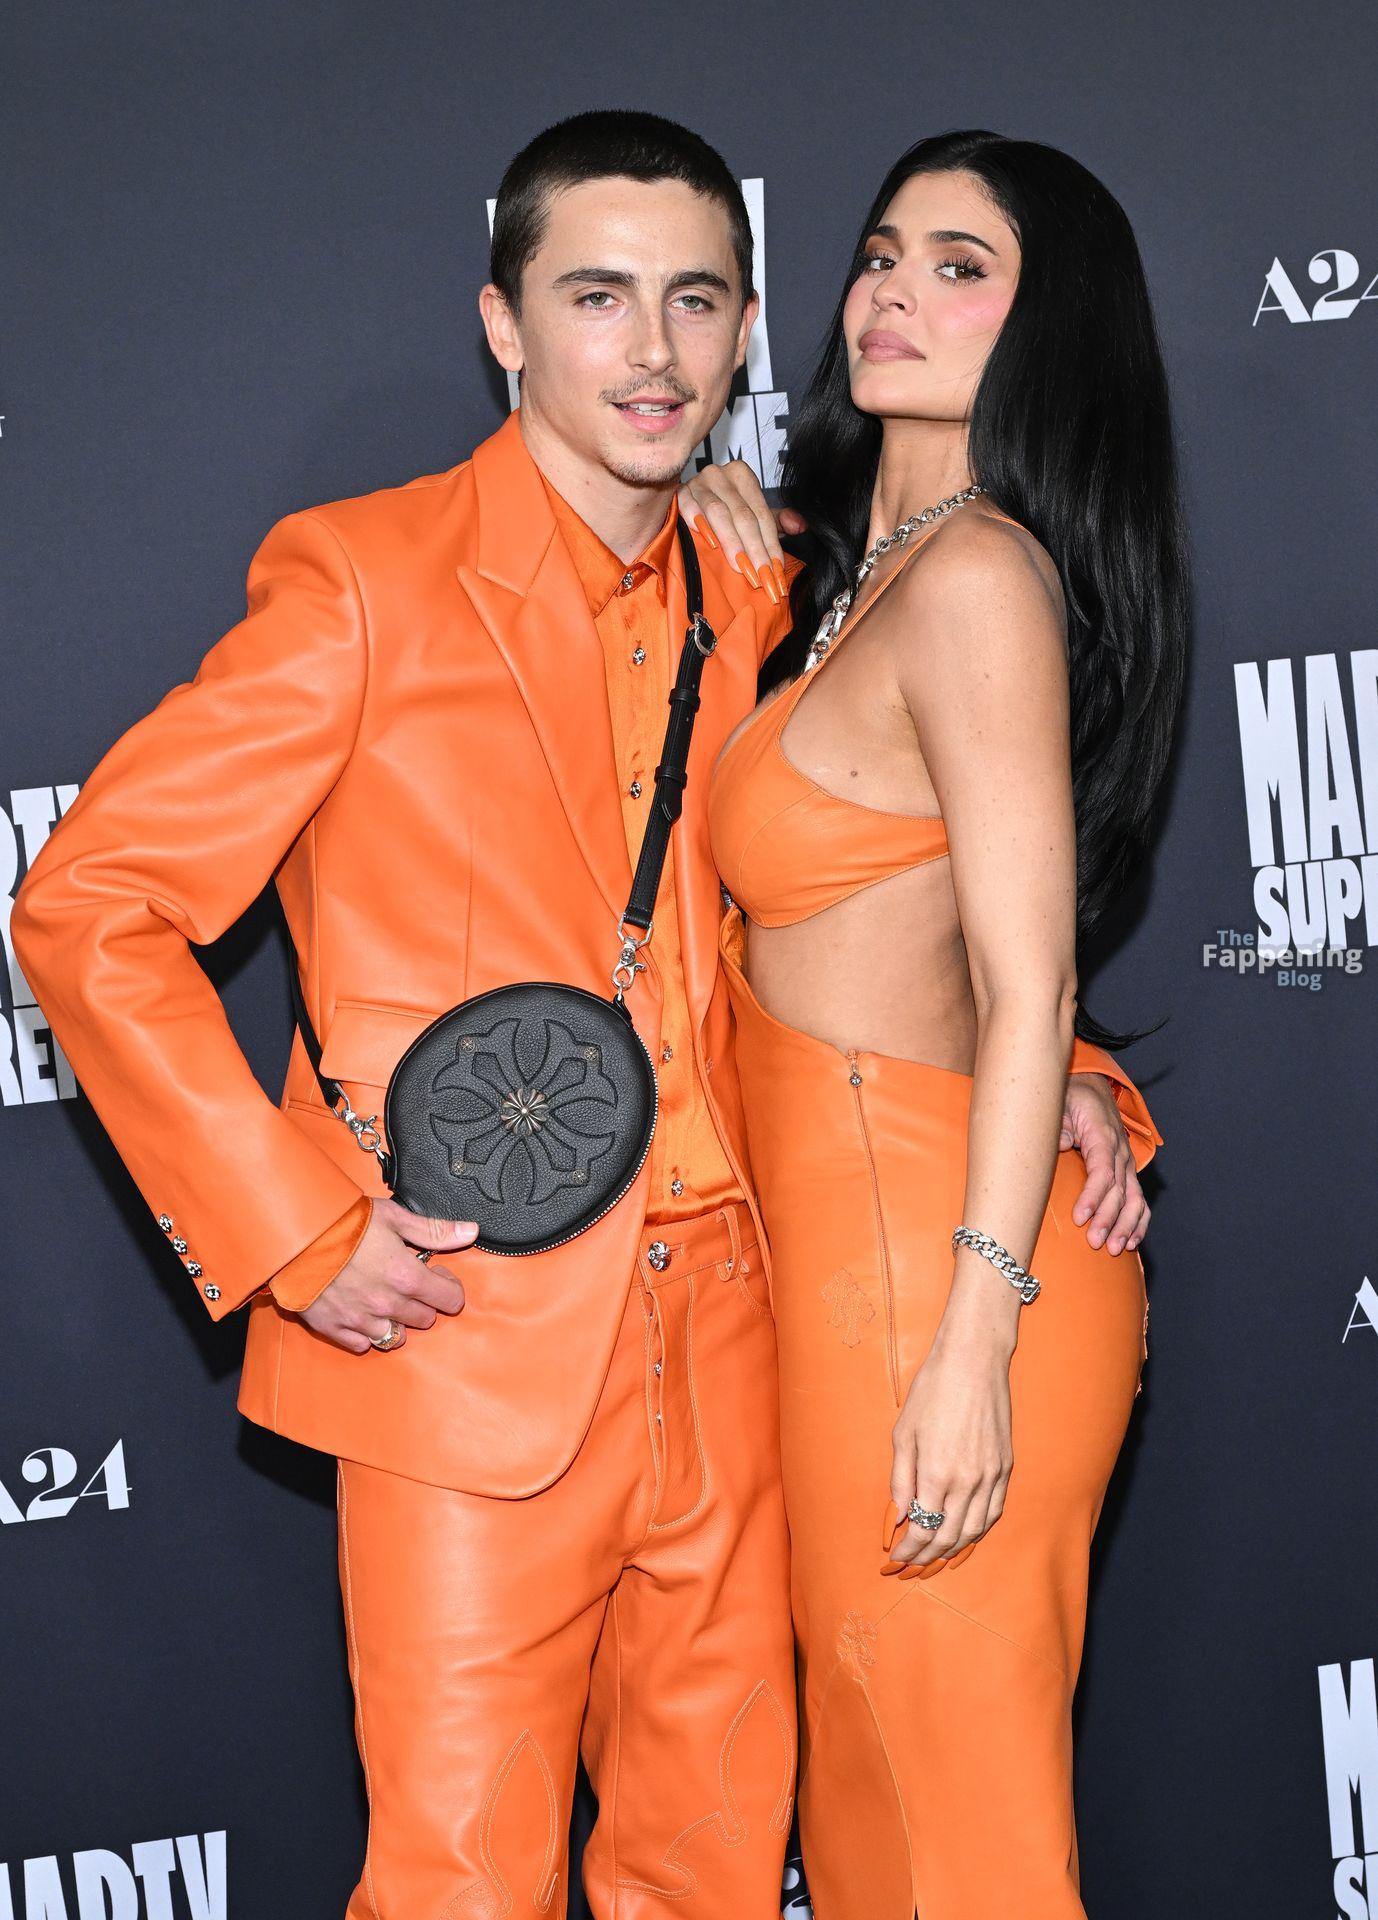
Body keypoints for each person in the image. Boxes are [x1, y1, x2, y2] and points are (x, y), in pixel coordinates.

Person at [10, 113, 1159, 1920]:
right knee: (460, 1888)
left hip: (754, 1345)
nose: (652, 349)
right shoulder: (365, 581)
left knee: (713, 1876)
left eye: (695, 300)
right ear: (503, 323)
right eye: (597, 296)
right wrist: (294, 1228)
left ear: (744, 329)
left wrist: (1068, 1073)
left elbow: (861, 896)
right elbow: (90, 904)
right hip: (471, 1343)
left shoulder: (768, 585)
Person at [690, 129, 1186, 1918]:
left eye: (960, 268)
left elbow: (1026, 975)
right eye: (883, 253)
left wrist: (977, 1340)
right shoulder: (851, 578)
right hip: (846, 1255)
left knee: (952, 1831)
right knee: (879, 1809)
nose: (893, 293)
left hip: (939, 1278)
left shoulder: (975, 580)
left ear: (1051, 326)